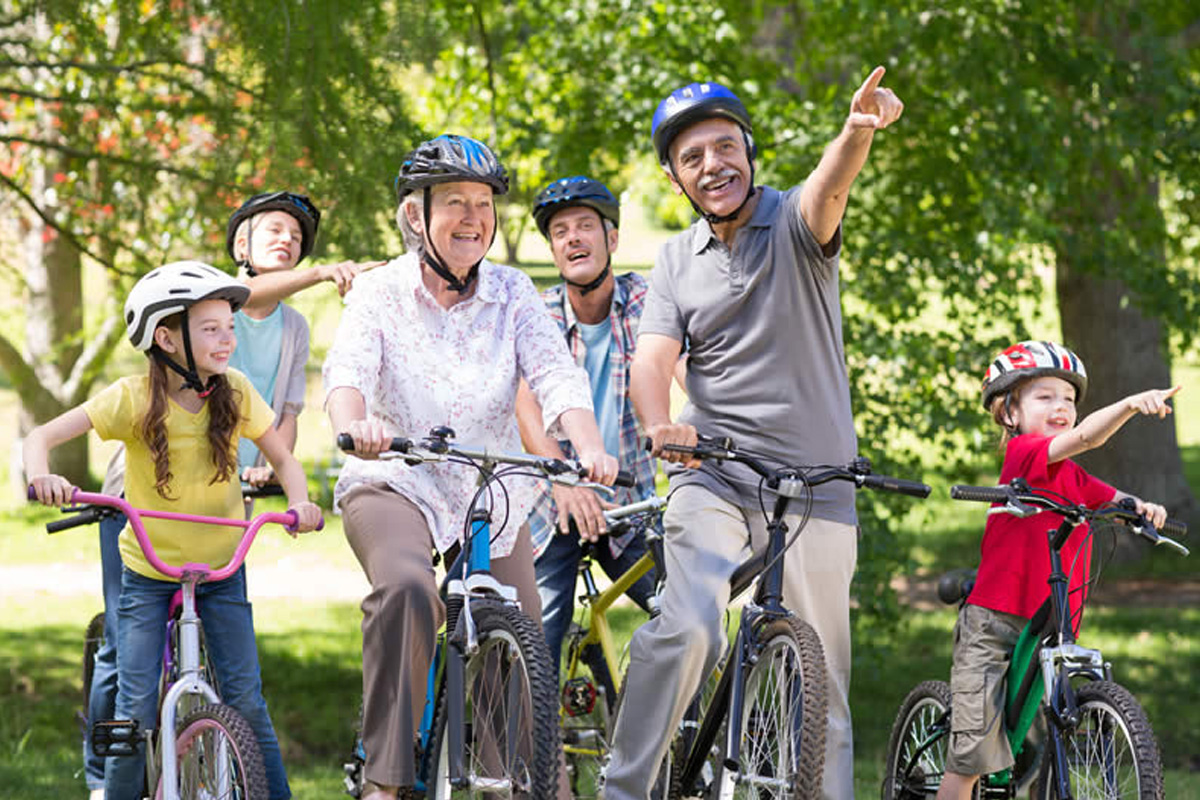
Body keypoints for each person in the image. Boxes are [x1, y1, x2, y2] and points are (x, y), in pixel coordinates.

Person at [607, 67, 905, 800]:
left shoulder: (796, 223)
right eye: (693, 157)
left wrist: (855, 133)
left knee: (823, 683)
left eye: (724, 147)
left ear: (748, 150)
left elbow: (830, 187)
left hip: (816, 485)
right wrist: (659, 424)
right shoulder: (674, 261)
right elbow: (652, 360)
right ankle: (625, 787)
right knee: (689, 626)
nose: (712, 165)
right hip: (713, 473)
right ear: (675, 178)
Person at [323, 134, 619, 800]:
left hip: (490, 491)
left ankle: (523, 785)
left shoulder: (513, 292)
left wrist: (588, 446)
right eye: (454, 201)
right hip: (395, 477)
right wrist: (354, 425)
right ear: (415, 214)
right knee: (407, 591)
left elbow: (555, 374)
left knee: (519, 639)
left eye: (483, 204)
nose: (472, 217)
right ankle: (385, 780)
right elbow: (348, 372)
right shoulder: (379, 291)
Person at [24, 261, 323, 800]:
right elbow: (39, 437)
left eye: (229, 327)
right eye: (211, 328)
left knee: (247, 702)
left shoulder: (235, 391)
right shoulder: (132, 397)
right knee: (135, 707)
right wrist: (42, 474)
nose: (227, 339)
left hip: (223, 568)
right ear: (166, 338)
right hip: (149, 571)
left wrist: (300, 502)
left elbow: (283, 458)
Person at [937, 340, 1176, 800]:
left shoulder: (1073, 477)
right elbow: (1086, 438)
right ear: (1009, 412)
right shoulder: (1024, 454)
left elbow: (1114, 499)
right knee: (972, 757)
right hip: (994, 624)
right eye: (1044, 397)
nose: (1061, 406)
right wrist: (1129, 405)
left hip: (1049, 626)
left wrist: (1142, 509)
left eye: (1068, 398)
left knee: (1046, 742)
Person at [516, 176, 660, 679]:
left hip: (627, 502)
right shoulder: (539, 313)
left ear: (611, 238)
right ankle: (530, 731)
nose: (573, 238)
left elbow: (677, 364)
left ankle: (664, 725)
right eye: (560, 232)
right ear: (553, 250)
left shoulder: (644, 300)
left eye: (585, 226)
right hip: (550, 503)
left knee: (682, 615)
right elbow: (525, 406)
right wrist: (563, 480)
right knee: (536, 647)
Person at [225, 190, 383, 487]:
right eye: (275, 230)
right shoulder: (216, 301)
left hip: (243, 481)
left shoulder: (294, 326)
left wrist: (276, 465)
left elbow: (288, 412)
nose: (287, 239)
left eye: (296, 237)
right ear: (243, 244)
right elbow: (244, 295)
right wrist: (322, 273)